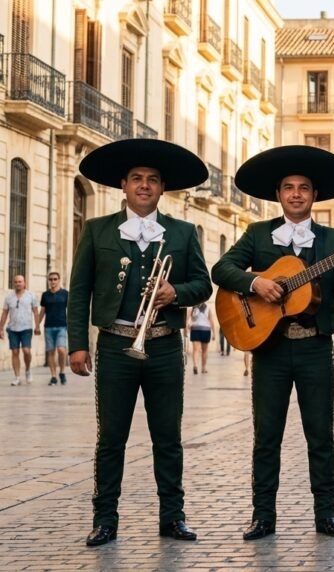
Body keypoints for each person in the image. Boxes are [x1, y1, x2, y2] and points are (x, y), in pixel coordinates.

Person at [211, 145, 334, 540]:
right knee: (266, 436)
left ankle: (326, 514)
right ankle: (263, 516)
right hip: (270, 349)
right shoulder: (258, 234)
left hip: (314, 347)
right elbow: (221, 269)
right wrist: (255, 282)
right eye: (289, 188)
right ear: (278, 194)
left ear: (314, 196)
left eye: (304, 188)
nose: (296, 194)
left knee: (320, 435)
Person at [68, 138, 212, 546]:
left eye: (152, 180)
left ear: (162, 188)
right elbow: (80, 291)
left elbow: (203, 284)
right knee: (110, 439)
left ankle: (173, 517)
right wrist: (78, 343)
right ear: (124, 185)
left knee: (168, 438)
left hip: (165, 345)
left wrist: (175, 293)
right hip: (115, 345)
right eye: (137, 179)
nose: (144, 186)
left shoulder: (182, 232)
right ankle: (105, 519)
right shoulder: (97, 230)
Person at [1, 275, 39, 386]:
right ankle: (17, 377)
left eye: (20, 282)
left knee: (26, 351)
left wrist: (37, 326)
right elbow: (4, 313)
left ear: (24, 283)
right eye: (16, 282)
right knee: (15, 352)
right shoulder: (9, 297)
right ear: (14, 283)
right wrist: (0, 328)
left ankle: (27, 370)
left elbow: (36, 312)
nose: (18, 283)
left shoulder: (31, 296)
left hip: (26, 328)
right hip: (12, 329)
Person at [36, 272, 70, 386]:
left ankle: (62, 371)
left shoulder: (65, 294)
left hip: (62, 326)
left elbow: (70, 310)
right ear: (48, 281)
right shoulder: (45, 295)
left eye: (55, 279)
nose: (53, 281)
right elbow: (42, 311)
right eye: (50, 279)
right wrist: (37, 325)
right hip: (48, 327)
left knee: (61, 350)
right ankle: (53, 376)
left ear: (59, 280)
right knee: (50, 352)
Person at [186, 303, 214, 375]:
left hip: (195, 329)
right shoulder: (208, 307)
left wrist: (186, 329)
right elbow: (211, 320)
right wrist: (214, 333)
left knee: (196, 350)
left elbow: (187, 319)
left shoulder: (193, 307)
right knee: (204, 351)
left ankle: (195, 365)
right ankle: (203, 368)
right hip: (206, 329)